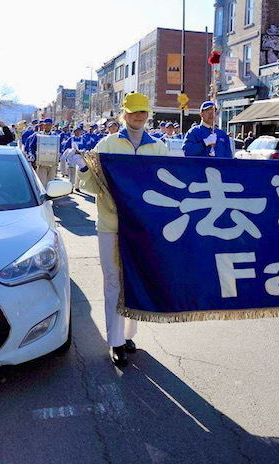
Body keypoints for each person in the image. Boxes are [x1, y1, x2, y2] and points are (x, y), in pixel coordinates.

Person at [72, 93, 167, 367]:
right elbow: (91, 188)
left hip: (142, 229)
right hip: (111, 226)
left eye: (143, 112)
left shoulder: (159, 148)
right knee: (113, 281)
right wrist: (82, 170)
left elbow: (166, 185)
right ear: (124, 114)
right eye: (134, 112)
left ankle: (127, 335)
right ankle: (114, 342)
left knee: (134, 281)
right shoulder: (107, 145)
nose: (139, 117)